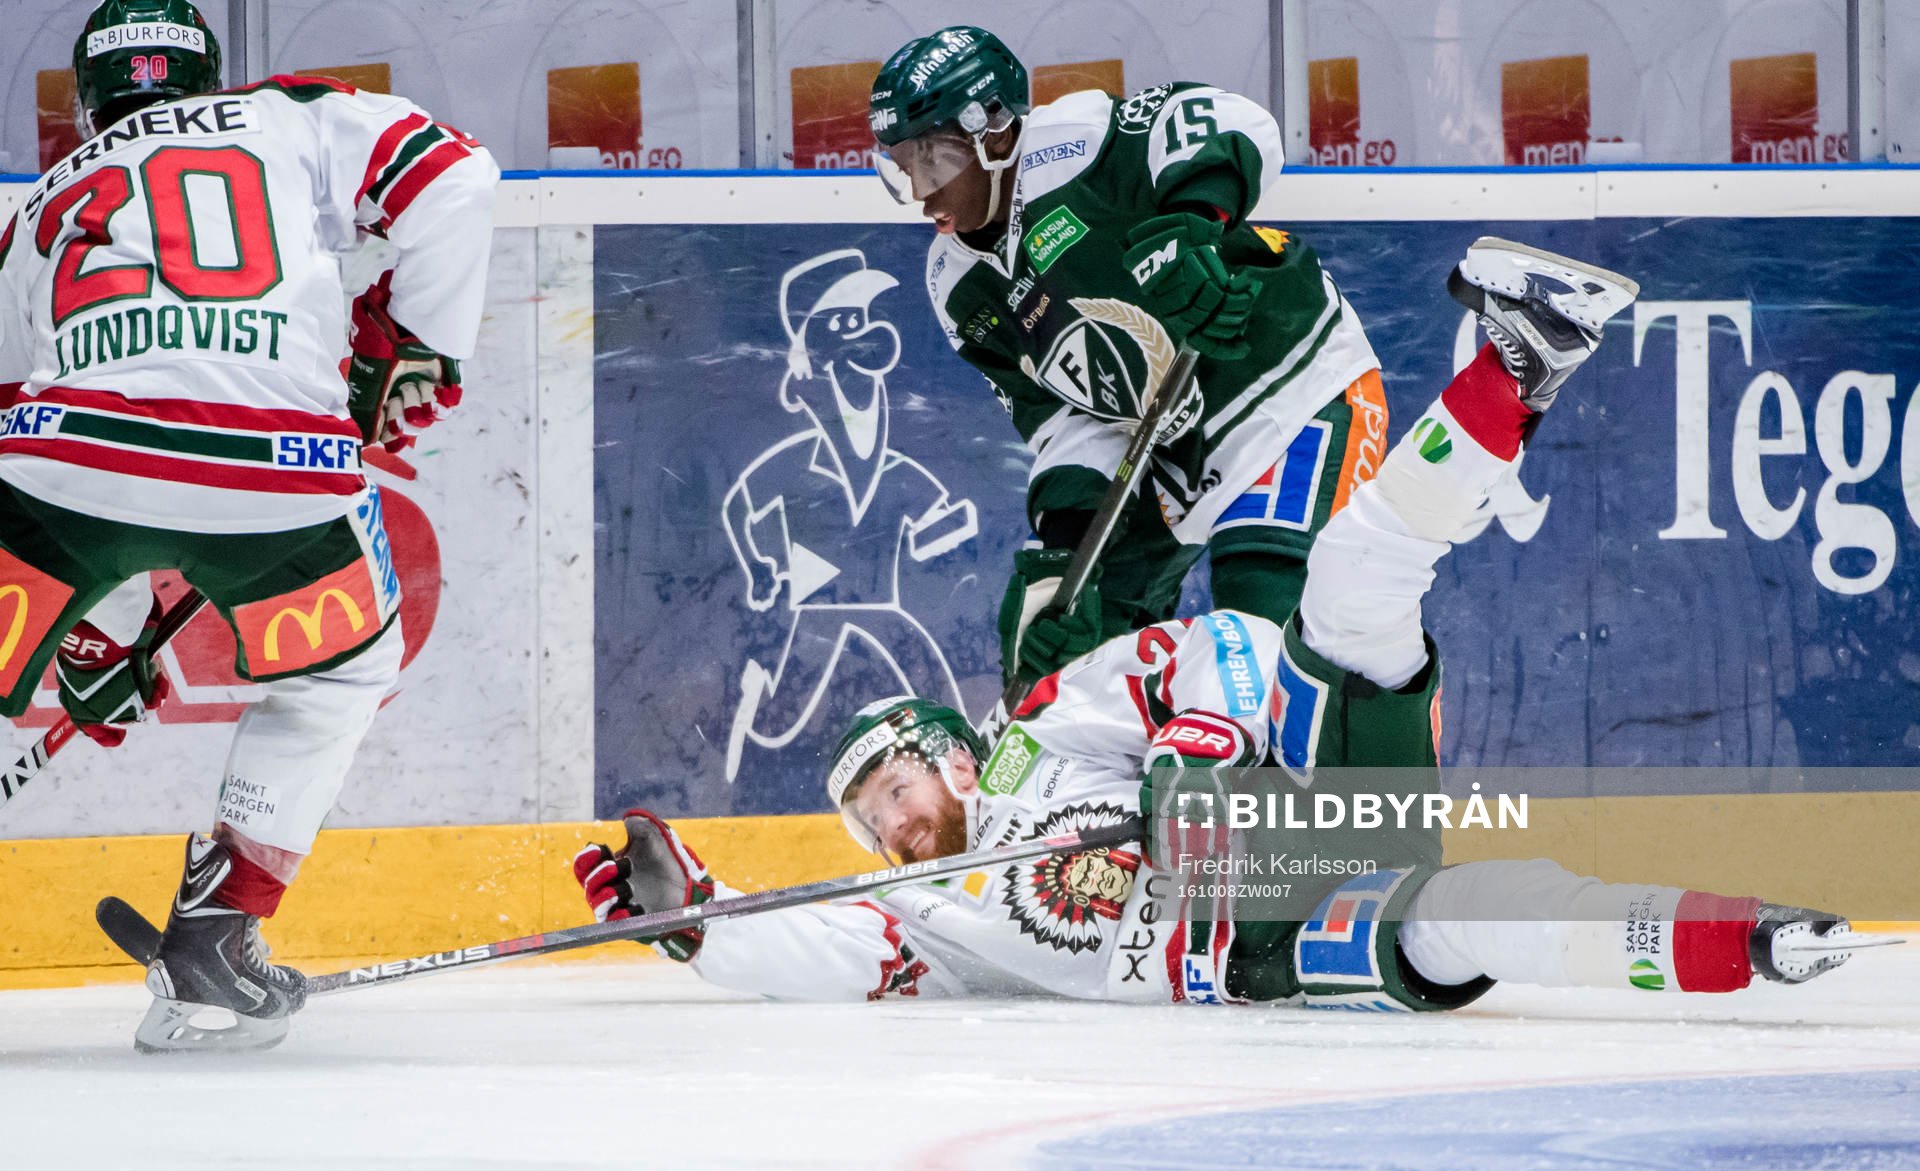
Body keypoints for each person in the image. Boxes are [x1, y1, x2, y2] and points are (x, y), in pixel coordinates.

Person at [576, 240, 1871, 1007]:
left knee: (1357, 570)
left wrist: (1197, 734)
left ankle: (1514, 365)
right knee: (1457, 921)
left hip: (1305, 795)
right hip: (1250, 944)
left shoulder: (1039, 732)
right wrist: (688, 917)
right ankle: (1747, 940)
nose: (897, 822)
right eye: (872, 816)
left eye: (898, 785)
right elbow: (807, 957)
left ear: (952, 750)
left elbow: (1213, 646)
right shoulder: (926, 918)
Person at [0, 0, 498, 1050]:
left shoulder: (43, 200)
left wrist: (96, 622)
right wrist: (415, 339)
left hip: (61, 461)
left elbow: (72, 418)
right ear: (211, 73)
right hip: (281, 467)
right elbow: (455, 173)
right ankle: (217, 938)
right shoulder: (288, 117)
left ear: (86, 106)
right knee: (338, 674)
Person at [866, 26, 1389, 688]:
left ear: (994, 133)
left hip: (1284, 391)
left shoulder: (1071, 148)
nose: (920, 192)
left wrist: (1196, 223)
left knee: (1273, 629)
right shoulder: (955, 285)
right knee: (1070, 650)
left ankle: (1338, 786)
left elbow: (1229, 120)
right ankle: (1127, 789)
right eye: (902, 168)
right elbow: (1059, 419)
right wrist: (1065, 544)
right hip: (1162, 449)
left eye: (932, 161)